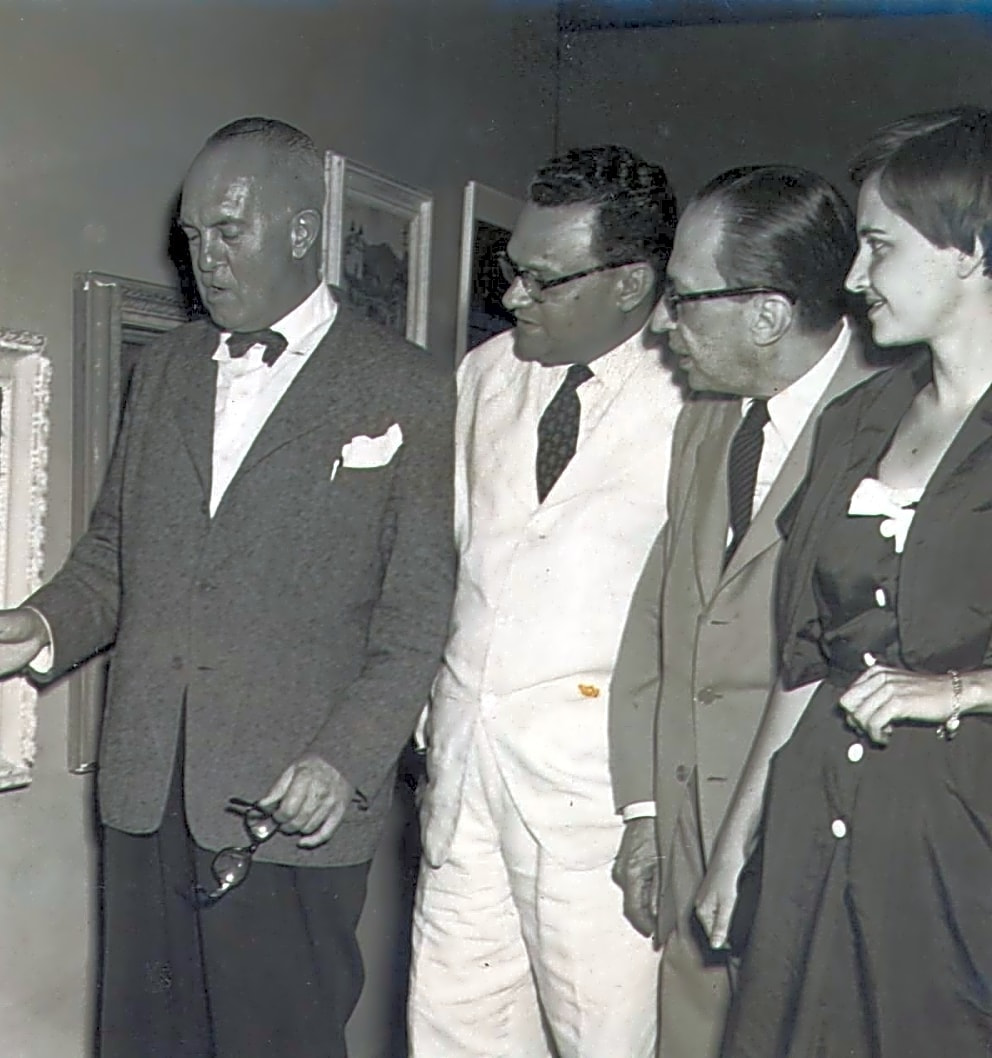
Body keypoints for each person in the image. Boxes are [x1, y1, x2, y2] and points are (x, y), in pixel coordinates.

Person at [0, 116, 454, 1058]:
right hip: (145, 794)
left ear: (300, 230)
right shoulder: (163, 371)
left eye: (228, 231)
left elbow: (416, 621)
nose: (204, 258)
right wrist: (39, 628)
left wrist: (342, 760)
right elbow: (117, 558)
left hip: (290, 804)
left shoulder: (405, 388)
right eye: (193, 236)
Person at [695, 107, 992, 1058]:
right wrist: (739, 839)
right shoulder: (857, 419)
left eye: (879, 246)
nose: (855, 278)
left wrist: (959, 688)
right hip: (813, 832)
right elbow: (806, 658)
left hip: (960, 853)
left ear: (972, 248)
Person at [411, 145, 683, 1058]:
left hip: (597, 804)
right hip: (465, 783)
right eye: (510, 271)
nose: (514, 297)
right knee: (453, 1036)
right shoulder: (484, 376)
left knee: (605, 1041)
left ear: (632, 283)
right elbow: (454, 563)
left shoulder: (697, 395)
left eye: (542, 279)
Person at [606, 164, 875, 1058]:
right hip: (690, 850)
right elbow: (663, 619)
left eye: (682, 298)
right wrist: (647, 816)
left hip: (822, 852)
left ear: (766, 312)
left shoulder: (903, 422)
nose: (659, 323)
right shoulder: (707, 422)